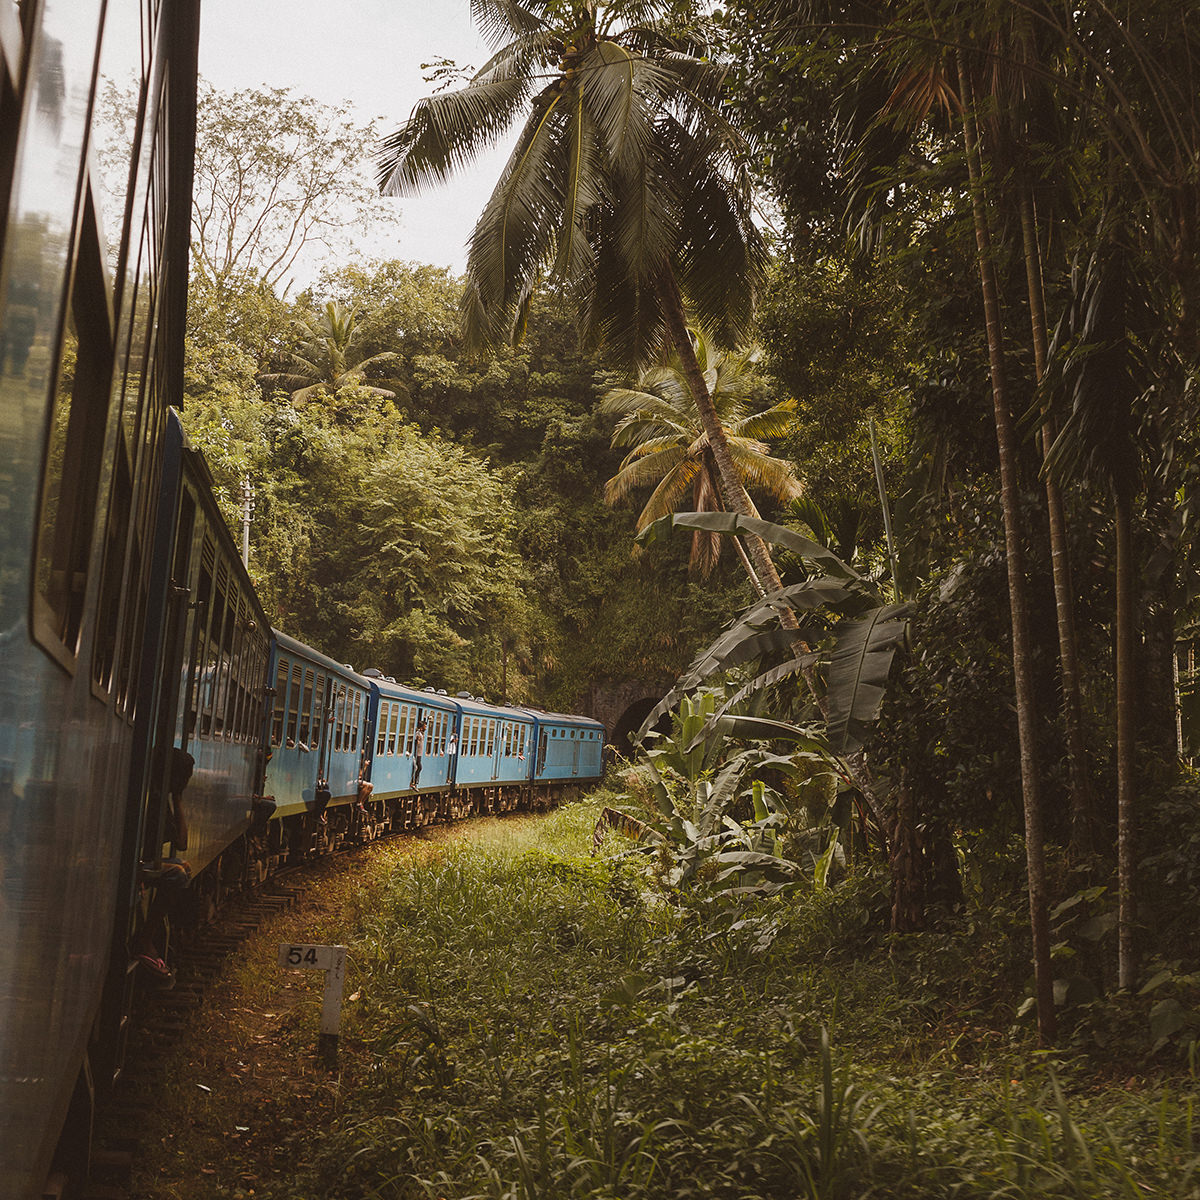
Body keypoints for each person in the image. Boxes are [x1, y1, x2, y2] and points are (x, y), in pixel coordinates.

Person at [411, 718, 427, 789]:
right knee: (418, 767)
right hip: (417, 753)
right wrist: (416, 741)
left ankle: (415, 782)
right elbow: (415, 740)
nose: (426, 728)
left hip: (419, 754)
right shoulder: (418, 733)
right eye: (425, 726)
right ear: (421, 727)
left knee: (419, 767)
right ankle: (414, 782)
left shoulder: (421, 733)